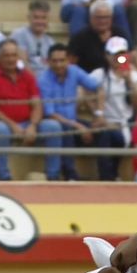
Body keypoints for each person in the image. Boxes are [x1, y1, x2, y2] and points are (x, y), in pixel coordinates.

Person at [0, 37, 56, 181]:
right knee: (0, 130)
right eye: (6, 55)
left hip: (27, 122)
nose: (11, 59)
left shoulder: (27, 75)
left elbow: (37, 104)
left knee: (53, 126)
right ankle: (4, 176)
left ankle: (53, 175)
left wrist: (32, 126)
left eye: (14, 55)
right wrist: (12, 125)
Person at [36, 42, 97, 180]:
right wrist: (79, 126)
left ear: (68, 60)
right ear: (48, 61)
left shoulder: (74, 70)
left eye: (62, 60)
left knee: (103, 131)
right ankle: (70, 176)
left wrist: (99, 114)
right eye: (55, 61)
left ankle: (107, 176)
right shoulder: (43, 79)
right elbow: (50, 113)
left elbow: (98, 87)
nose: (58, 65)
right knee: (67, 129)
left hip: (73, 120)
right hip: (55, 122)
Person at [86, 33, 137, 180]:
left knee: (109, 134)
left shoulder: (133, 75)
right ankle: (108, 177)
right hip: (105, 122)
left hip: (125, 123)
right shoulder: (99, 74)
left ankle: (111, 175)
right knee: (105, 133)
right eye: (114, 54)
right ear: (106, 55)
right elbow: (84, 92)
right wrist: (96, 112)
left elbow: (136, 103)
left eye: (121, 53)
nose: (117, 57)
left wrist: (129, 80)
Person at [70, 0, 126, 74]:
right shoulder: (80, 36)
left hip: (115, 77)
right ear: (91, 17)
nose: (103, 21)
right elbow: (71, 64)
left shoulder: (119, 34)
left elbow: (126, 59)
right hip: (88, 79)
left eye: (106, 17)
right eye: (99, 17)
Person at [10, 0, 54, 72]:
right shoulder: (19, 34)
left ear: (48, 19)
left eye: (43, 18)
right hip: (25, 79)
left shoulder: (50, 41)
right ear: (29, 17)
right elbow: (23, 63)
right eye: (36, 17)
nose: (40, 21)